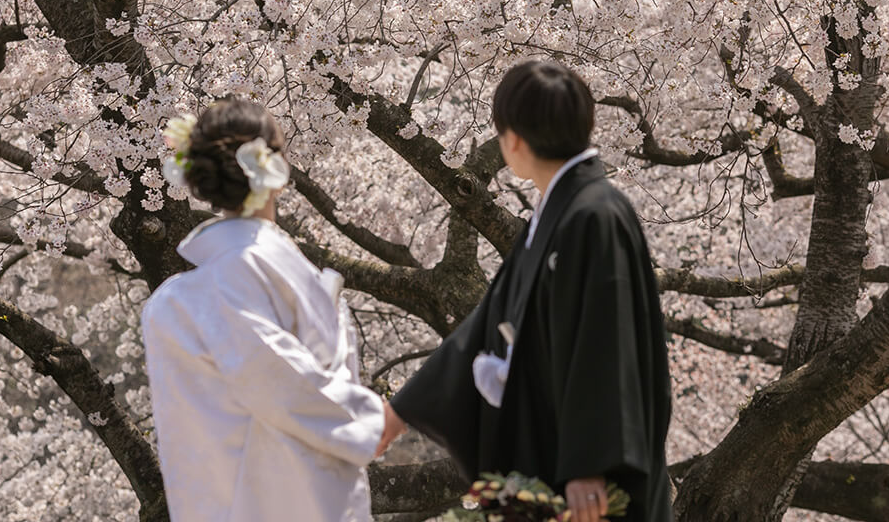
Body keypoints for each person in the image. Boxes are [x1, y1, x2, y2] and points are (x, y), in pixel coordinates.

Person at [378, 61, 672, 522]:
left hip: (585, 481)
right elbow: (491, 317)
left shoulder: (594, 214)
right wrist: (404, 409)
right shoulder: (561, 208)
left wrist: (589, 464)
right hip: (547, 453)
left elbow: (607, 342)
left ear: (513, 139)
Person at [141, 100, 389, 522]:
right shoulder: (233, 280)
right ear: (275, 169)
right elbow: (280, 381)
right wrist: (382, 419)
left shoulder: (176, 300)